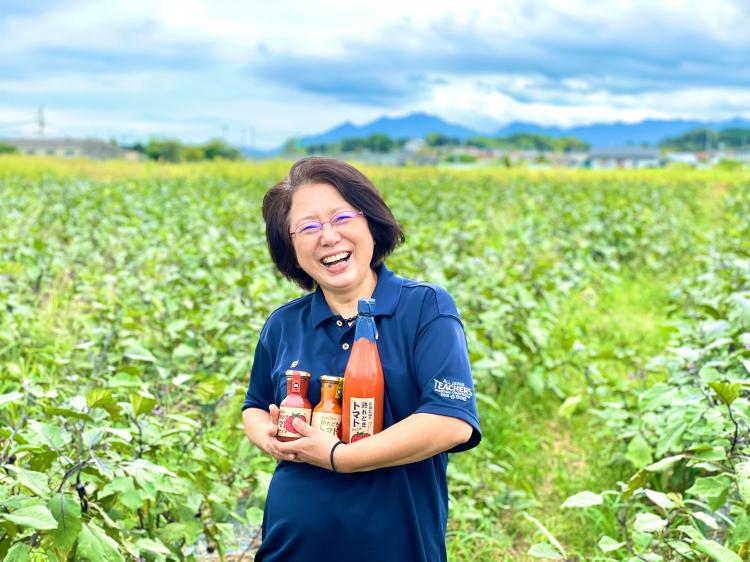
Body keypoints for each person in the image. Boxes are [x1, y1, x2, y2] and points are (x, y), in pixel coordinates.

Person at [241, 157, 481, 562]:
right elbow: (254, 405)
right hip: (291, 546)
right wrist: (265, 434)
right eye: (309, 227)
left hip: (396, 546)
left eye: (341, 217)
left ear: (370, 222)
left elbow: (450, 422)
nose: (329, 237)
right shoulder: (284, 324)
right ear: (291, 248)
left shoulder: (425, 308)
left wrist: (339, 457)